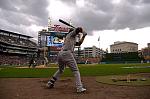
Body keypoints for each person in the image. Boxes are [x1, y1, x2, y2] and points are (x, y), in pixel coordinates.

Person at [46, 27, 87, 93]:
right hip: (67, 53)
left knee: (61, 70)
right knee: (76, 71)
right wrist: (82, 31)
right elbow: (79, 28)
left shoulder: (71, 38)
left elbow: (79, 43)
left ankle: (50, 83)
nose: (76, 34)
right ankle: (79, 87)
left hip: (61, 54)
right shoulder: (70, 34)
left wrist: (84, 36)